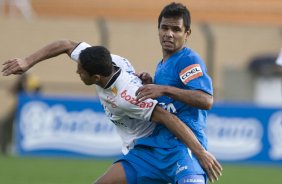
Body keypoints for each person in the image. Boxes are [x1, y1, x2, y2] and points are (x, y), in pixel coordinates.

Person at [2, 40, 222, 183]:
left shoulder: (127, 97)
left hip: (160, 146)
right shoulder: (106, 60)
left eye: (80, 72)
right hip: (141, 151)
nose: (77, 72)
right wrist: (27, 62)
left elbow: (166, 117)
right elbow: (65, 44)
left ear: (96, 78)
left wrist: (201, 153)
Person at [135, 2, 218, 182]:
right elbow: (171, 97)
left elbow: (206, 99)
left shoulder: (187, 60)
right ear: (158, 30)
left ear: (187, 33)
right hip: (162, 145)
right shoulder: (162, 64)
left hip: (186, 146)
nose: (169, 34)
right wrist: (153, 84)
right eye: (164, 28)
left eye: (176, 29)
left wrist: (163, 89)